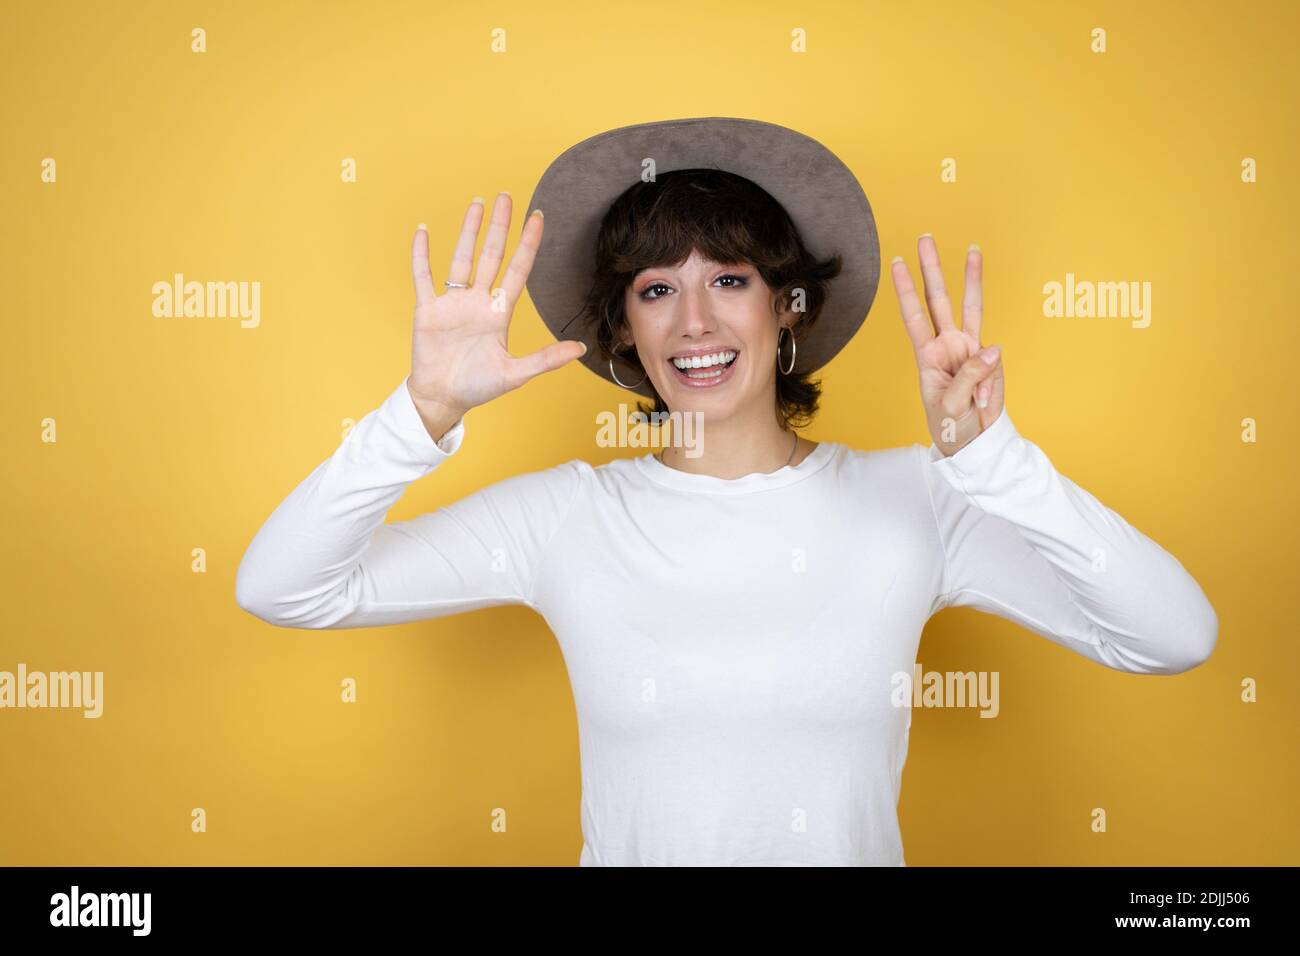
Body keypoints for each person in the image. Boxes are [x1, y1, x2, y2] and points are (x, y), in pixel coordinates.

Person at [235, 118, 1218, 866]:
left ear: (786, 310)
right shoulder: (565, 516)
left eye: (730, 279)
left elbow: (1173, 635)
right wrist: (421, 412)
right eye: (656, 288)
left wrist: (994, 463)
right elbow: (283, 585)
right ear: (623, 330)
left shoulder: (914, 500)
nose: (693, 320)